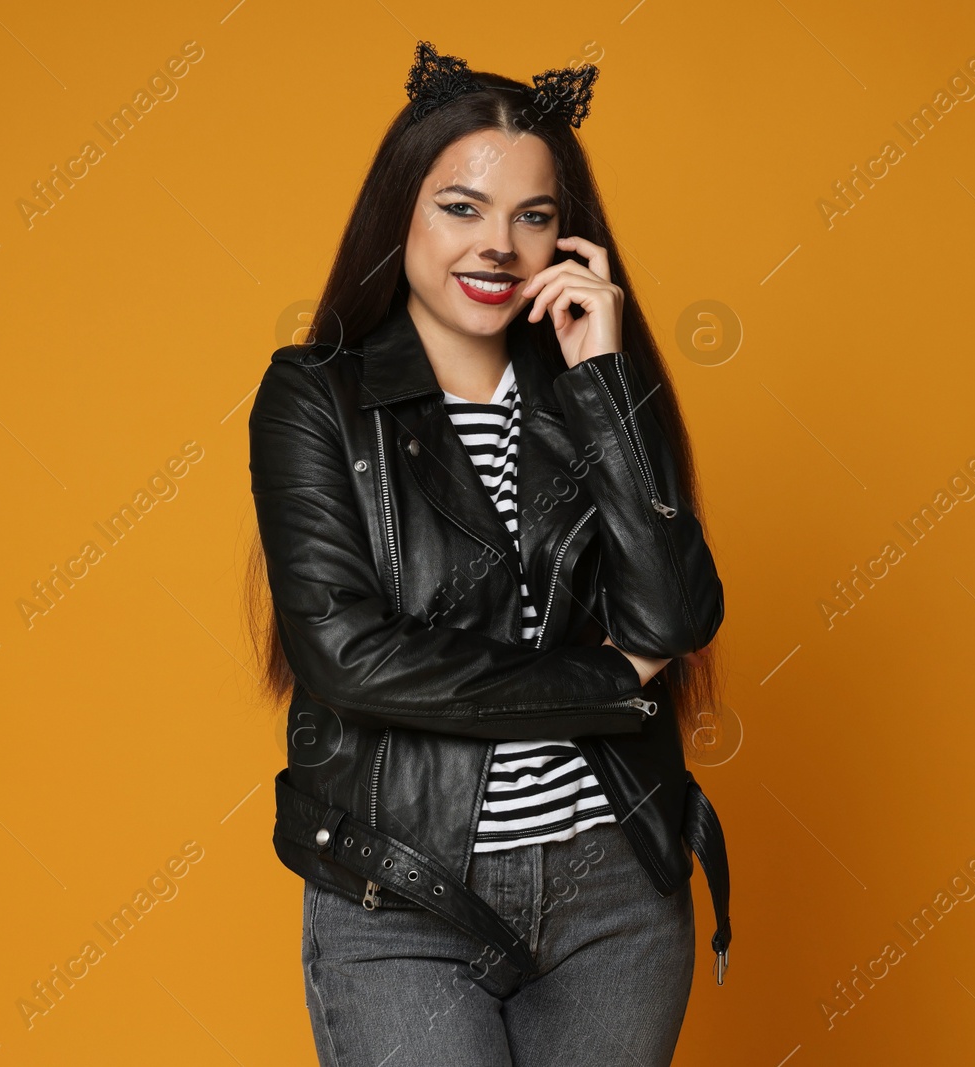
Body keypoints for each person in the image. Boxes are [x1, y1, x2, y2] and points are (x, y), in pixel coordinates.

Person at [245, 40, 732, 1066]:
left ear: (567, 236)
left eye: (534, 215)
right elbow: (348, 654)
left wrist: (604, 381)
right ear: (402, 214)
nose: (499, 245)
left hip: (612, 889)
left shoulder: (588, 389)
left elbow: (675, 617)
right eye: (461, 207)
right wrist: (605, 679)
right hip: (403, 890)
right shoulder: (315, 397)